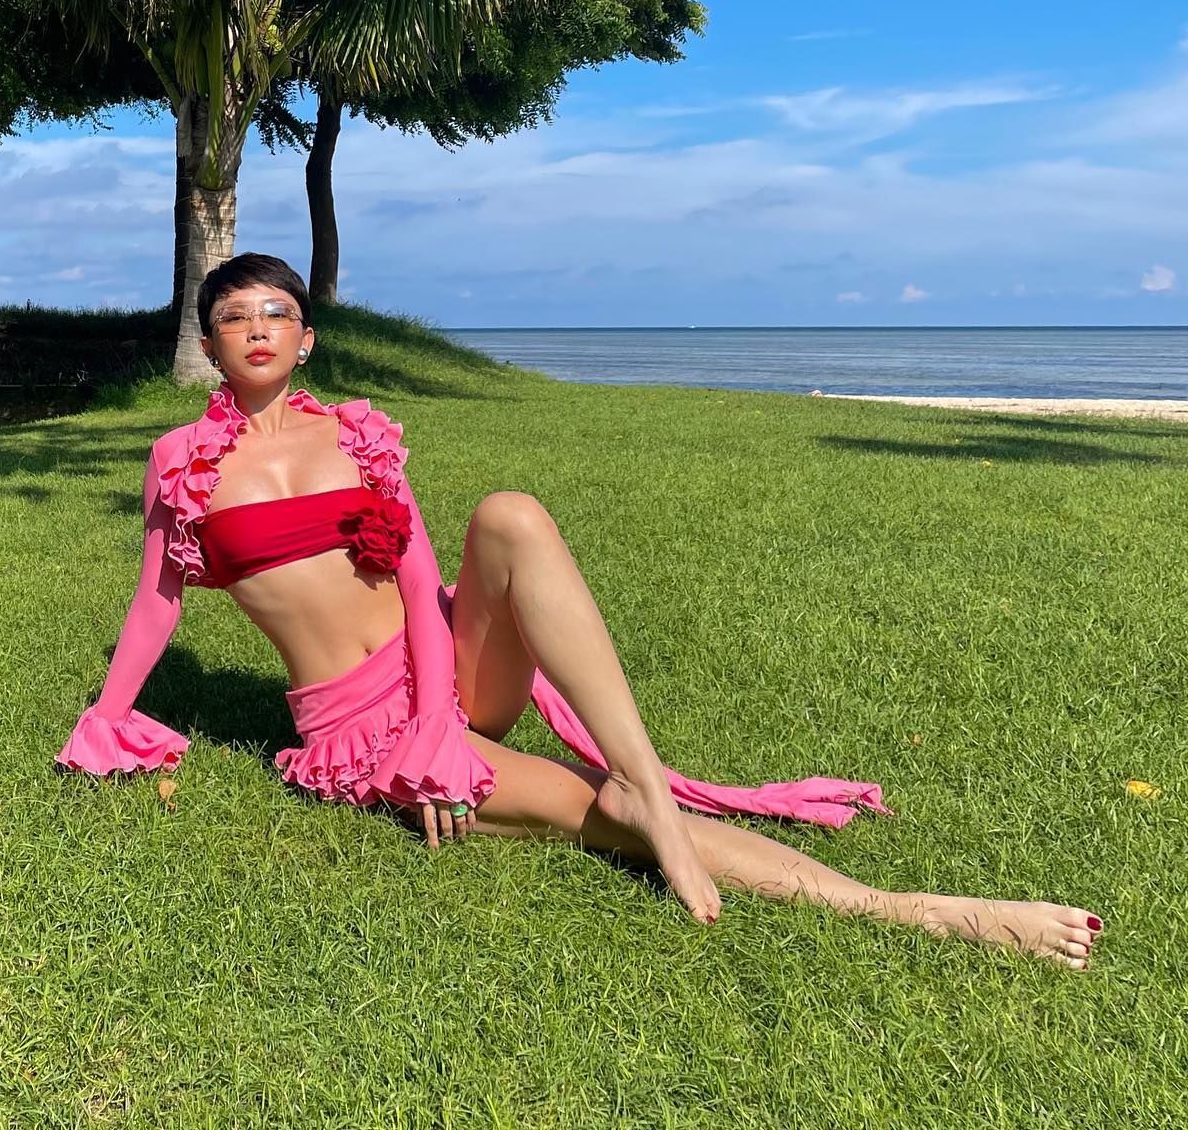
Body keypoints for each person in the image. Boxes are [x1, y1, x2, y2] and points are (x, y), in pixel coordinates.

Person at [58, 254, 1103, 967]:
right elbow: (156, 601)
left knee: (510, 514)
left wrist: (440, 722)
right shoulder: (183, 461)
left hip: (447, 672)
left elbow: (420, 587)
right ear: (208, 343)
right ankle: (913, 912)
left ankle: (648, 782)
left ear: (308, 336)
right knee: (592, 815)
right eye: (232, 317)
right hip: (357, 725)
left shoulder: (361, 433)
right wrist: (107, 717)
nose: (255, 328)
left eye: (275, 312)